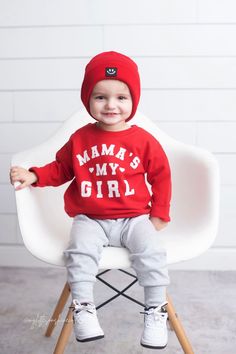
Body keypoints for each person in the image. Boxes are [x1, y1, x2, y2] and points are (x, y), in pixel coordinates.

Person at [10, 51, 171, 349]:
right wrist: (35, 175)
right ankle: (84, 308)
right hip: (91, 219)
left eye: (121, 97)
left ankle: (155, 310)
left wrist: (159, 212)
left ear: (133, 100)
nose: (111, 105)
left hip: (134, 218)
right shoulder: (81, 138)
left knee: (152, 253)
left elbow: (161, 175)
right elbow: (61, 168)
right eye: (100, 97)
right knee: (80, 253)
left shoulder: (143, 140)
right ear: (88, 99)